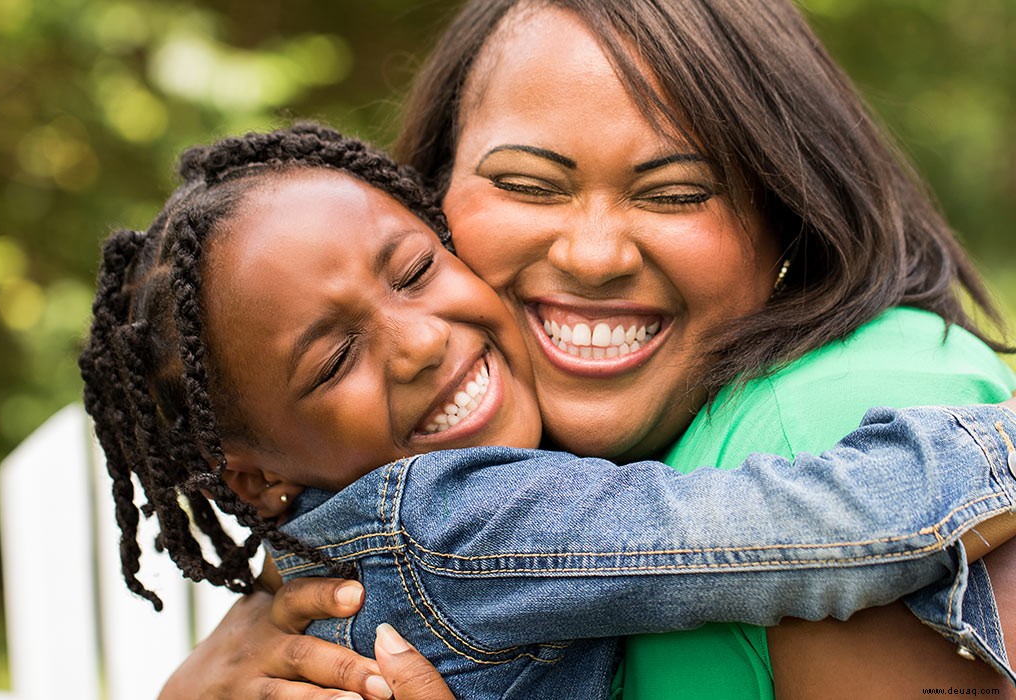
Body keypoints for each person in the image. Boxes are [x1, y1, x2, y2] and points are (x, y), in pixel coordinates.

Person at [159, 1, 1016, 698]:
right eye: (528, 185)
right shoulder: (425, 519)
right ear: (432, 190)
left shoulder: (825, 416)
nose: (594, 255)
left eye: (676, 193)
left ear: (788, 206)